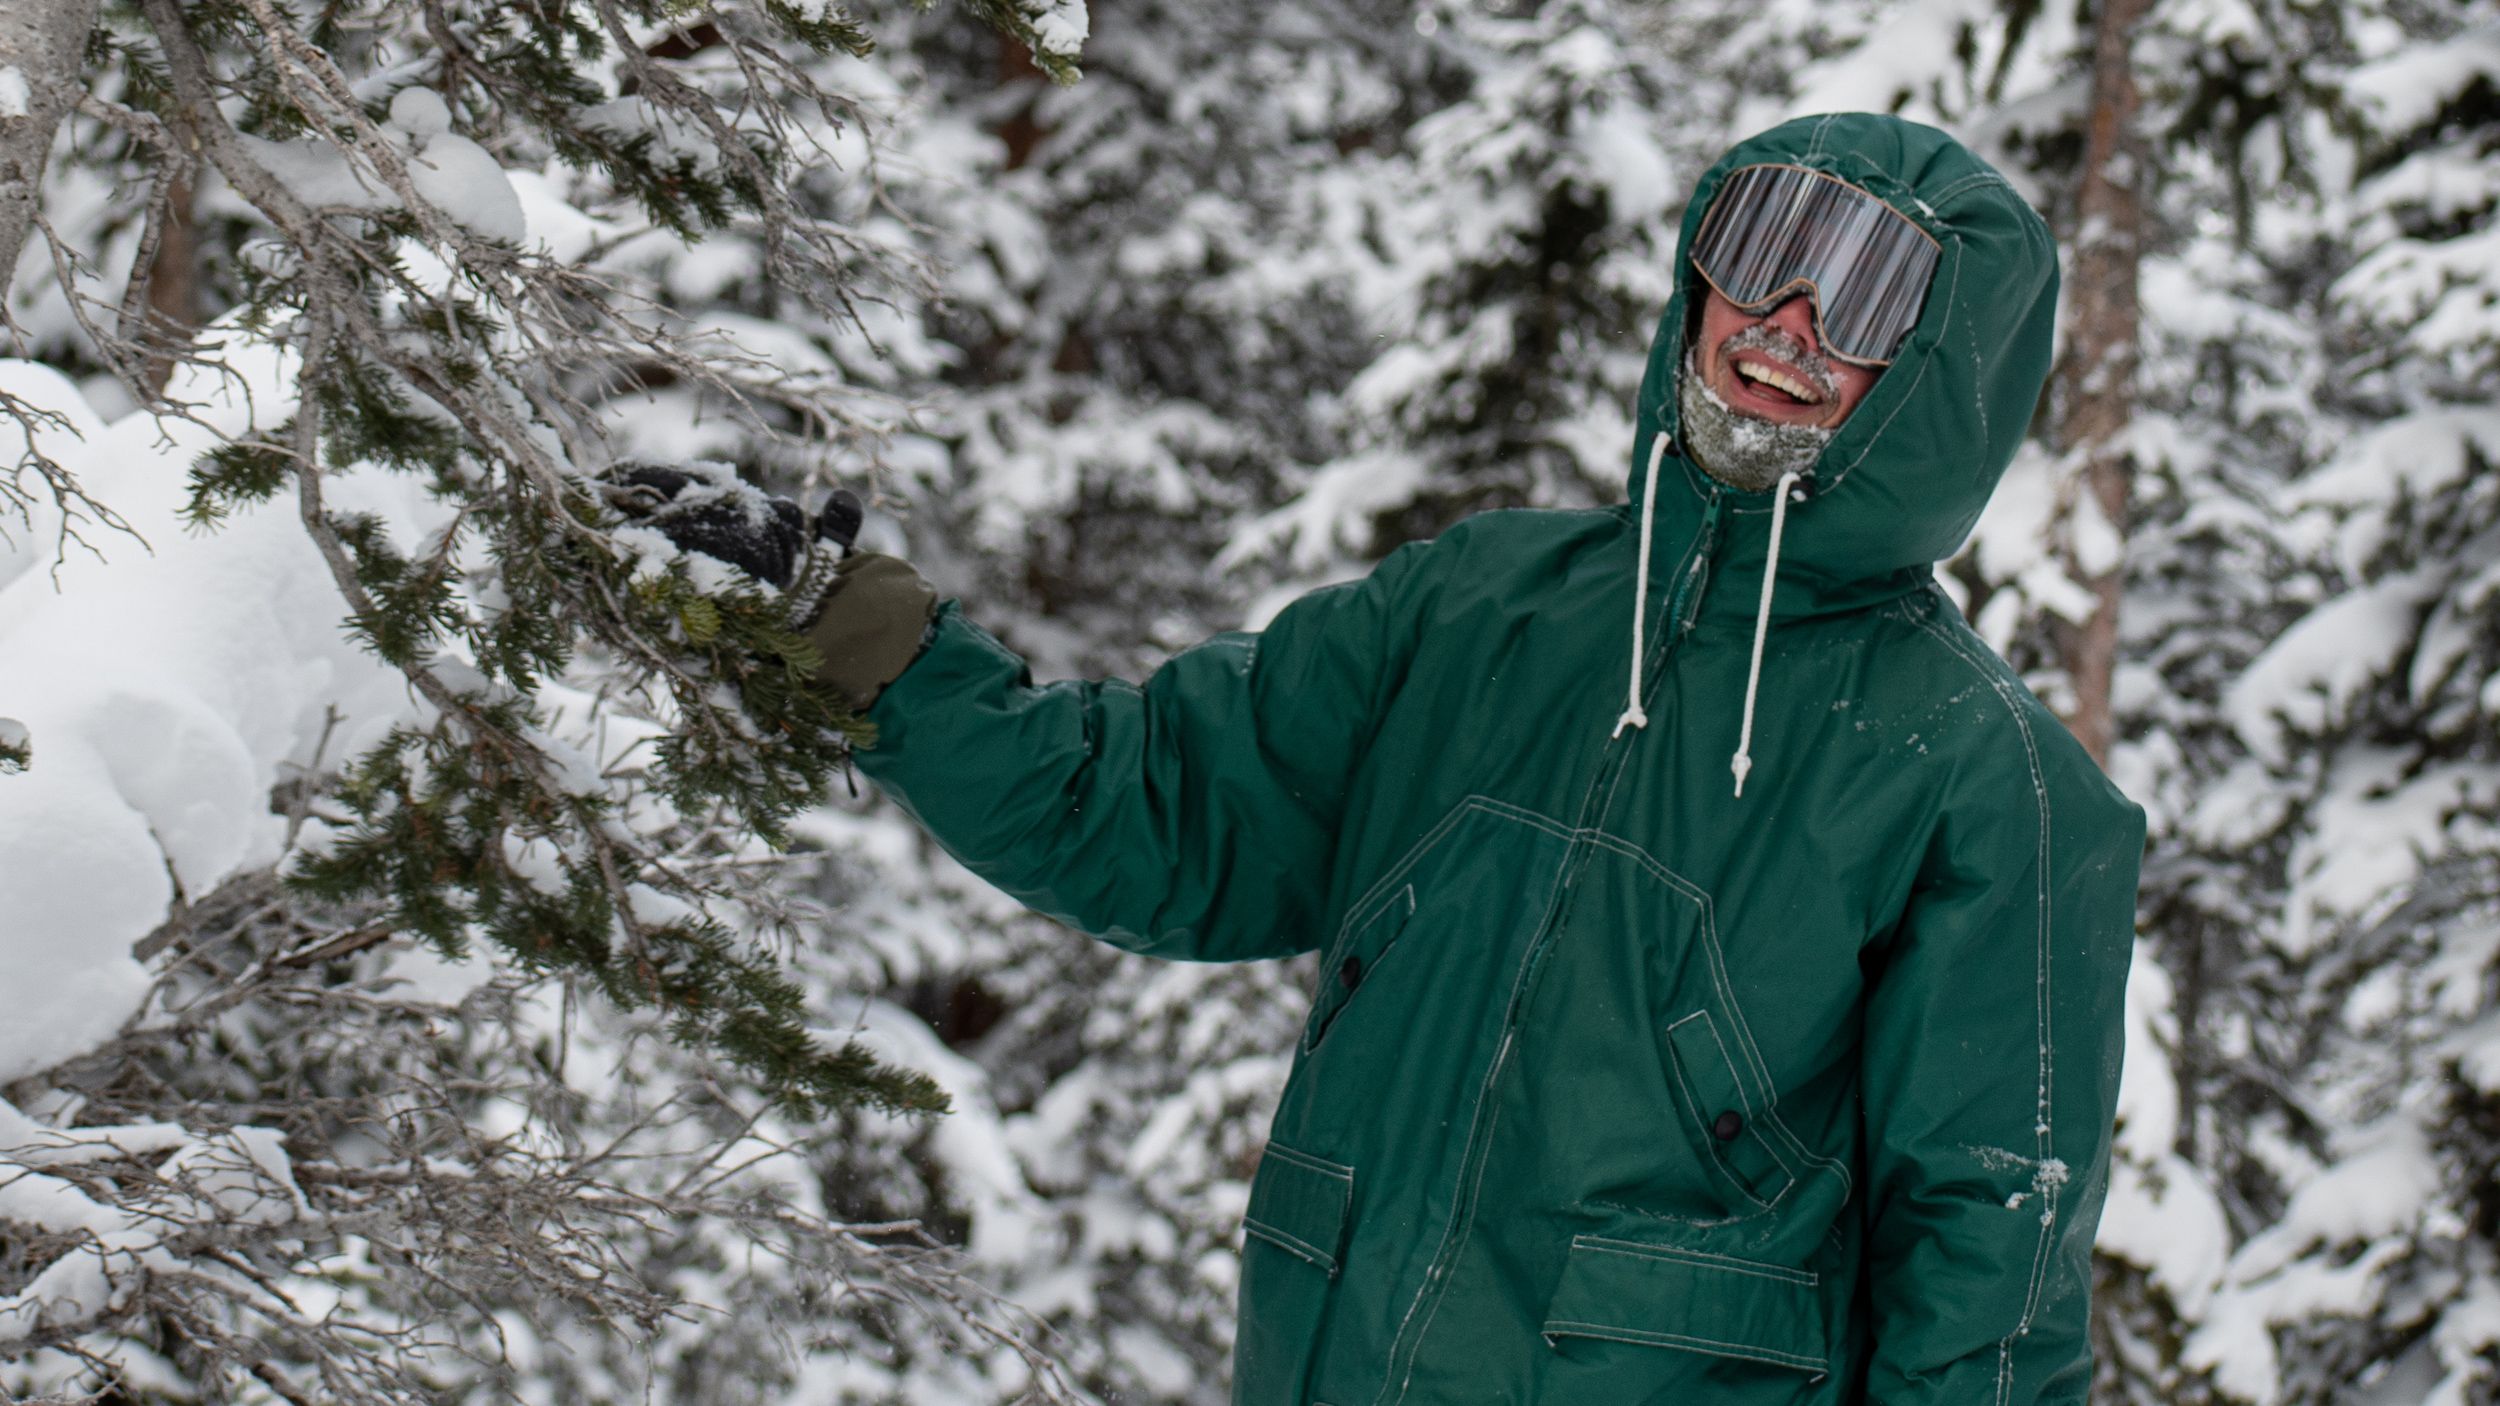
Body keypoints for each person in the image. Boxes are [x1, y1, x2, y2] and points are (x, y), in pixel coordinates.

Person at [622, 112, 2144, 1405]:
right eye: (1761, 249)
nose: (1787, 322)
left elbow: (1986, 1286)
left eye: (1866, 294)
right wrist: (864, 634)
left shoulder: (1983, 780)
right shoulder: (1476, 609)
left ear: (1943, 380)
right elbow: (1144, 806)